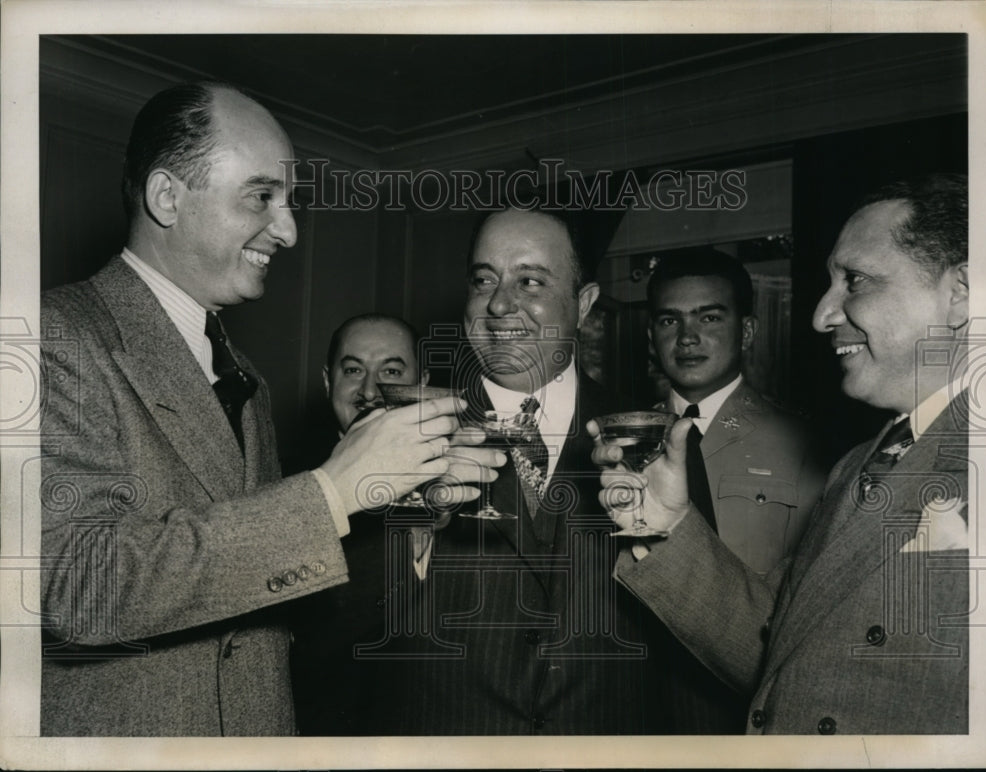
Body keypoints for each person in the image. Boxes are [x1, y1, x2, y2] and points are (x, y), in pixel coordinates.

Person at [38, 82, 494, 736]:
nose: (288, 230)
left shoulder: (241, 372)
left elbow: (258, 578)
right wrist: (333, 489)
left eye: (289, 203)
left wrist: (396, 495)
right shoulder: (54, 336)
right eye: (262, 197)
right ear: (168, 197)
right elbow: (80, 588)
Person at [594, 173, 970, 734]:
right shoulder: (859, 463)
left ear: (962, 291)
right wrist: (668, 523)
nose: (822, 314)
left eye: (856, 281)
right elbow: (783, 653)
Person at [375, 208, 671, 735]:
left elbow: (690, 655)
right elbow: (326, 627)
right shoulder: (399, 430)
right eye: (483, 279)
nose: (499, 303)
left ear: (583, 305)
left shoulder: (651, 439)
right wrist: (415, 523)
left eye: (529, 280)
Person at [641, 248, 826, 732]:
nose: (687, 338)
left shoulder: (807, 444)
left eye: (709, 317)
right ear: (650, 336)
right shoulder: (620, 442)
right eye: (668, 320)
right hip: (636, 710)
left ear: (746, 330)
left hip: (748, 709)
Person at [291, 313, 434, 734]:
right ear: (326, 382)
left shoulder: (468, 484)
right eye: (353, 370)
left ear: (422, 384)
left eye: (391, 371)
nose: (369, 390)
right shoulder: (283, 493)